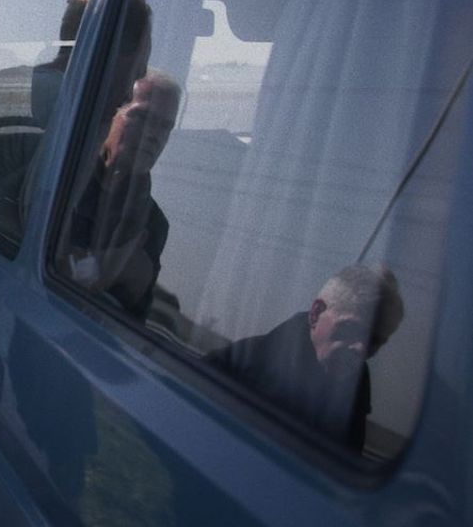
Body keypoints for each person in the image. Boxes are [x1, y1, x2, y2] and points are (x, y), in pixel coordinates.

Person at [206, 265, 405, 450]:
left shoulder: (357, 389)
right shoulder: (234, 366)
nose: (361, 349)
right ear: (316, 314)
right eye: (352, 329)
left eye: (375, 341)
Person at [61, 71, 183, 317]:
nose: (154, 135)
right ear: (111, 114)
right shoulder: (61, 180)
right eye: (142, 117)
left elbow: (133, 321)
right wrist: (112, 267)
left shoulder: (153, 223)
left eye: (165, 127)